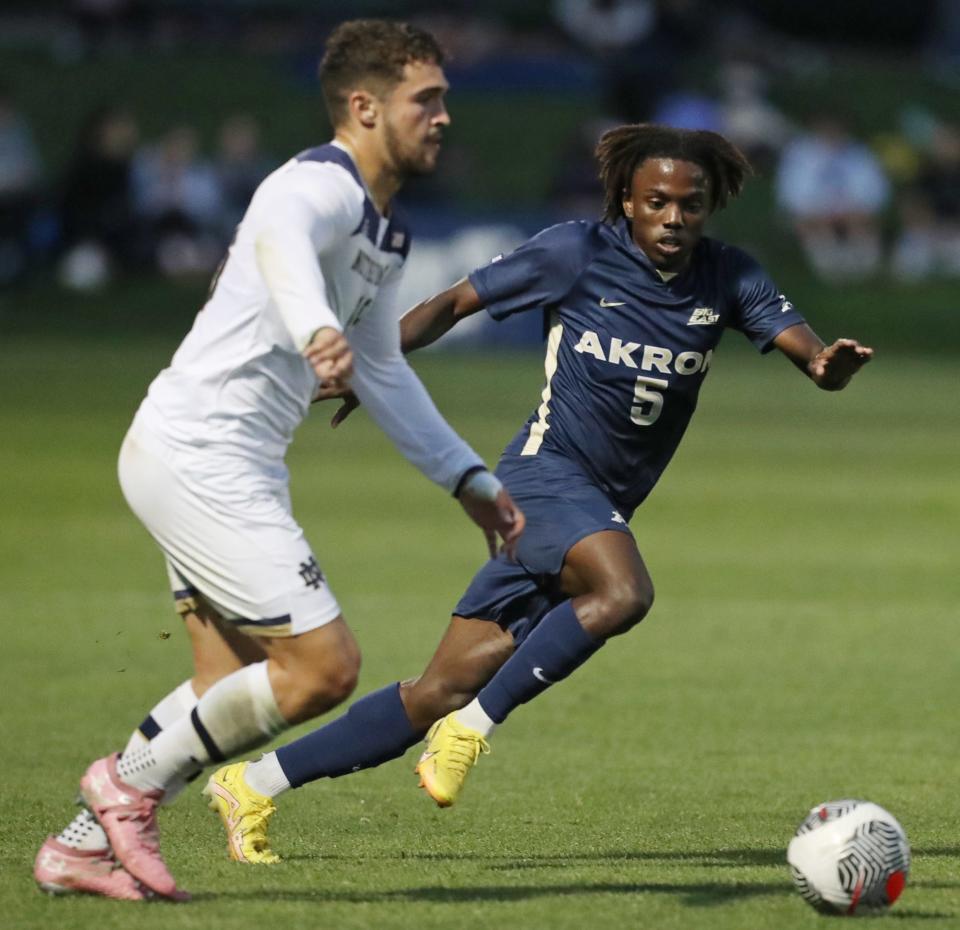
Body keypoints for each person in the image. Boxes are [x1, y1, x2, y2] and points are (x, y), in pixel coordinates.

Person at [202, 123, 874, 863]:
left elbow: (811, 356)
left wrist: (830, 367)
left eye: (692, 204)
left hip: (590, 511)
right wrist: (370, 365)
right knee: (624, 594)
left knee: (432, 692)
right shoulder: (577, 253)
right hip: (543, 476)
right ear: (626, 199)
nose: (674, 219)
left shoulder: (730, 276)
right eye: (656, 202)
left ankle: (252, 783)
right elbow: (454, 303)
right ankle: (471, 733)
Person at [33, 19, 523, 902]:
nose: (444, 116)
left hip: (228, 461)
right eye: (428, 99)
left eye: (444, 98)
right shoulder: (314, 184)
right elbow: (282, 246)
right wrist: (314, 328)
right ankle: (122, 787)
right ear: (365, 107)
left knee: (225, 685)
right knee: (324, 668)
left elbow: (382, 372)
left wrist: (470, 479)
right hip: (200, 453)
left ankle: (77, 849)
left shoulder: (386, 233)